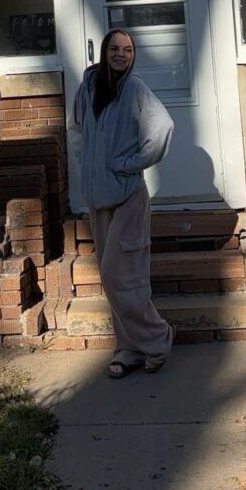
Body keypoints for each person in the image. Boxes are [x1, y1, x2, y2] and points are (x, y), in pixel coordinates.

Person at [69, 29, 175, 379]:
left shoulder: (135, 89)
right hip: (98, 197)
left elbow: (162, 129)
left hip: (128, 195)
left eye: (128, 50)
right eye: (115, 48)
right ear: (103, 52)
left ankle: (157, 339)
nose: (121, 55)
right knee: (112, 275)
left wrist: (129, 164)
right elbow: (77, 129)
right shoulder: (88, 88)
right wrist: (87, 166)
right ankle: (127, 349)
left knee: (122, 275)